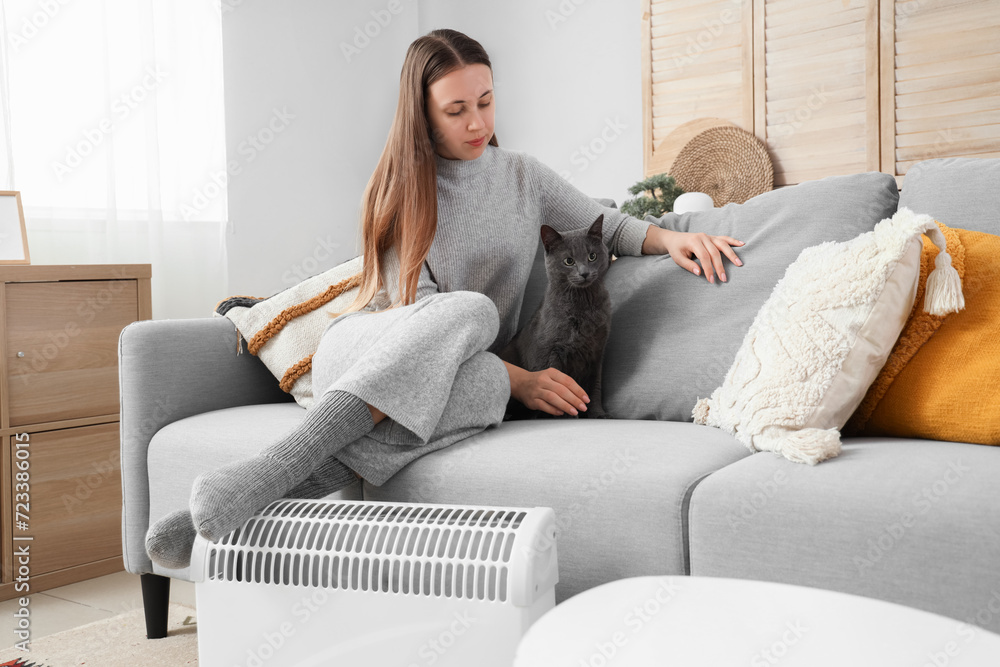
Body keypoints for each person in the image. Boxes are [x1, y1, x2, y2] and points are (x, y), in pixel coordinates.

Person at [144, 28, 743, 569]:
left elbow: (604, 225)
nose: (477, 122)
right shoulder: (402, 192)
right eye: (456, 110)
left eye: (485, 102)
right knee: (473, 313)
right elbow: (422, 318)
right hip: (363, 355)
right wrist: (522, 379)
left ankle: (227, 502)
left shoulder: (522, 177)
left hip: (451, 378)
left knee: (487, 390)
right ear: (423, 115)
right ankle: (275, 465)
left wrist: (674, 238)